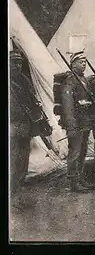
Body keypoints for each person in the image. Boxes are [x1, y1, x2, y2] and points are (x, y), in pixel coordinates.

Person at [9, 50, 52, 193]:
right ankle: (13, 182)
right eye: (14, 63)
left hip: (26, 121)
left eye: (19, 63)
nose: (17, 66)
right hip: (13, 122)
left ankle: (21, 178)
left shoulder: (23, 79)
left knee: (24, 151)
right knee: (13, 152)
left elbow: (32, 97)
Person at [60, 51, 95, 192]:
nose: (84, 64)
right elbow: (67, 105)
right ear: (73, 64)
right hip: (75, 123)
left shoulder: (84, 79)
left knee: (82, 151)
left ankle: (80, 177)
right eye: (81, 62)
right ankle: (74, 182)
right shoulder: (69, 80)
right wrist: (71, 124)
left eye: (85, 62)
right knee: (75, 151)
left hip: (85, 121)